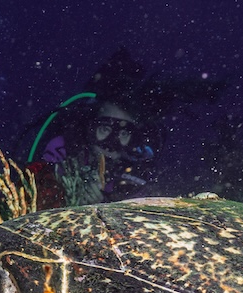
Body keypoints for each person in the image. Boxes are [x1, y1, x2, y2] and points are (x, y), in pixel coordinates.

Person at [28, 48, 221, 205]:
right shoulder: (62, 148)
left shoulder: (138, 170)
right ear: (90, 128)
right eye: (104, 129)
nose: (111, 142)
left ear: (134, 138)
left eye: (124, 133)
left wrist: (102, 206)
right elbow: (34, 186)